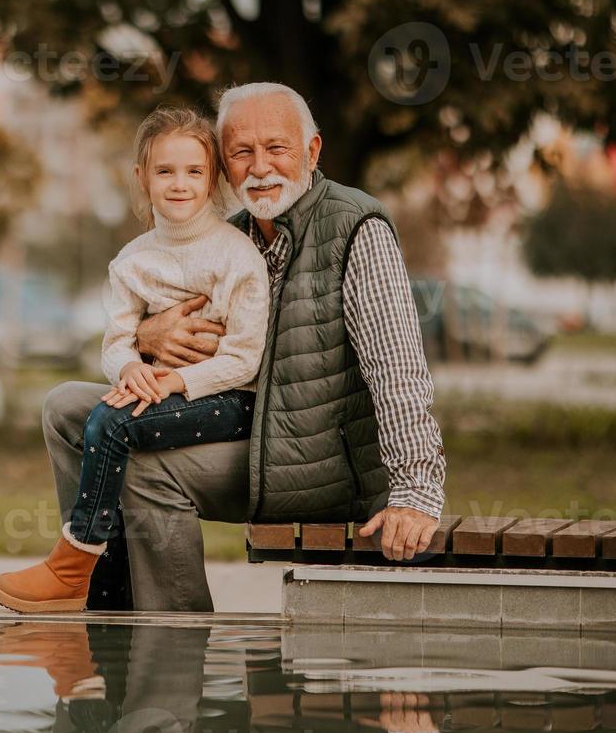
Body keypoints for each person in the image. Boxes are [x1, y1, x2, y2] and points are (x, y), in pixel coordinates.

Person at [43, 83, 447, 613]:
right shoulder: (226, 237)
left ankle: (173, 647)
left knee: (145, 466)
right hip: (243, 424)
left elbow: (397, 369)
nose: (260, 167)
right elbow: (162, 343)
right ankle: (105, 600)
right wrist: (145, 337)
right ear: (223, 167)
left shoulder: (355, 227)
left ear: (312, 151)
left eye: (276, 148)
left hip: (319, 458)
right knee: (67, 408)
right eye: (241, 152)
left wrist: (414, 492)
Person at [0, 107, 270, 613]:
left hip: (231, 402)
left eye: (194, 172)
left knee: (113, 421)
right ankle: (108, 596)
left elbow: (244, 361)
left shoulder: (236, 255)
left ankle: (74, 564)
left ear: (213, 179)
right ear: (142, 178)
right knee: (93, 408)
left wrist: (174, 381)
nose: (179, 184)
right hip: (161, 391)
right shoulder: (133, 260)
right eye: (165, 171)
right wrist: (131, 369)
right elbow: (115, 342)